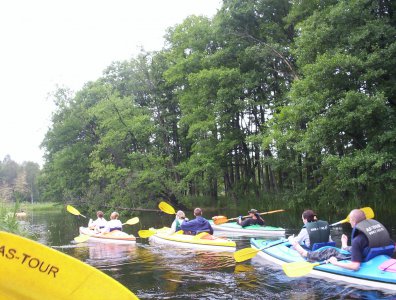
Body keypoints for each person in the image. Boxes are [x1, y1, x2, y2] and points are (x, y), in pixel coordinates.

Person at [291, 209, 394, 270]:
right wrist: (344, 245)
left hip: (363, 258)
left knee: (330, 251)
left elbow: (355, 266)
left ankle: (305, 254)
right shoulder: (380, 231)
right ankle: (344, 246)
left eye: (350, 221)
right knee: (350, 247)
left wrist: (335, 263)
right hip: (371, 253)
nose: (349, 223)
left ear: (353, 221)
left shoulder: (358, 239)